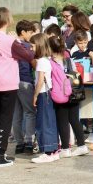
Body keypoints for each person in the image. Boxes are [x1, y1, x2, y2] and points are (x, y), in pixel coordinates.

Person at [0, 8, 36, 167]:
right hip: (6, 84)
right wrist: (24, 44)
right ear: (7, 20)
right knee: (5, 121)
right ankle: (0, 155)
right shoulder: (9, 41)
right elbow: (28, 56)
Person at [48, 35, 89, 158]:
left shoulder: (50, 62)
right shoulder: (69, 59)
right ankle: (82, 146)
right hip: (73, 93)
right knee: (75, 120)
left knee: (62, 121)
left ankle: (65, 148)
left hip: (60, 95)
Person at [29, 33, 59, 164]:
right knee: (50, 122)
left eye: (32, 46)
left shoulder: (41, 61)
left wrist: (34, 95)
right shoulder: (47, 60)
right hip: (49, 94)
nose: (31, 48)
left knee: (43, 123)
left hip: (43, 94)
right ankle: (53, 150)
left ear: (39, 46)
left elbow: (40, 80)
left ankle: (47, 151)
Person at [12, 20, 37, 155]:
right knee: (29, 112)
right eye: (30, 32)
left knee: (17, 114)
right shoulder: (27, 47)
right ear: (23, 32)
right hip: (26, 81)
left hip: (13, 82)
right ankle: (28, 142)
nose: (31, 34)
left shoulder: (12, 45)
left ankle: (19, 143)